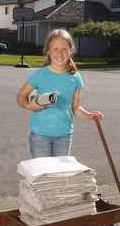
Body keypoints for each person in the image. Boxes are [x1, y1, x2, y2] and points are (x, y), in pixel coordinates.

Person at [16, 29, 104, 158]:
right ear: (48, 51)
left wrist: (90, 115)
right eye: (55, 49)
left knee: (61, 175)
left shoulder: (75, 78)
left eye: (64, 49)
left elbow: (76, 107)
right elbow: (21, 97)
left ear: (71, 50)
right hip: (40, 135)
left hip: (64, 136)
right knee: (44, 175)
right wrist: (29, 106)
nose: (60, 53)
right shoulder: (38, 75)